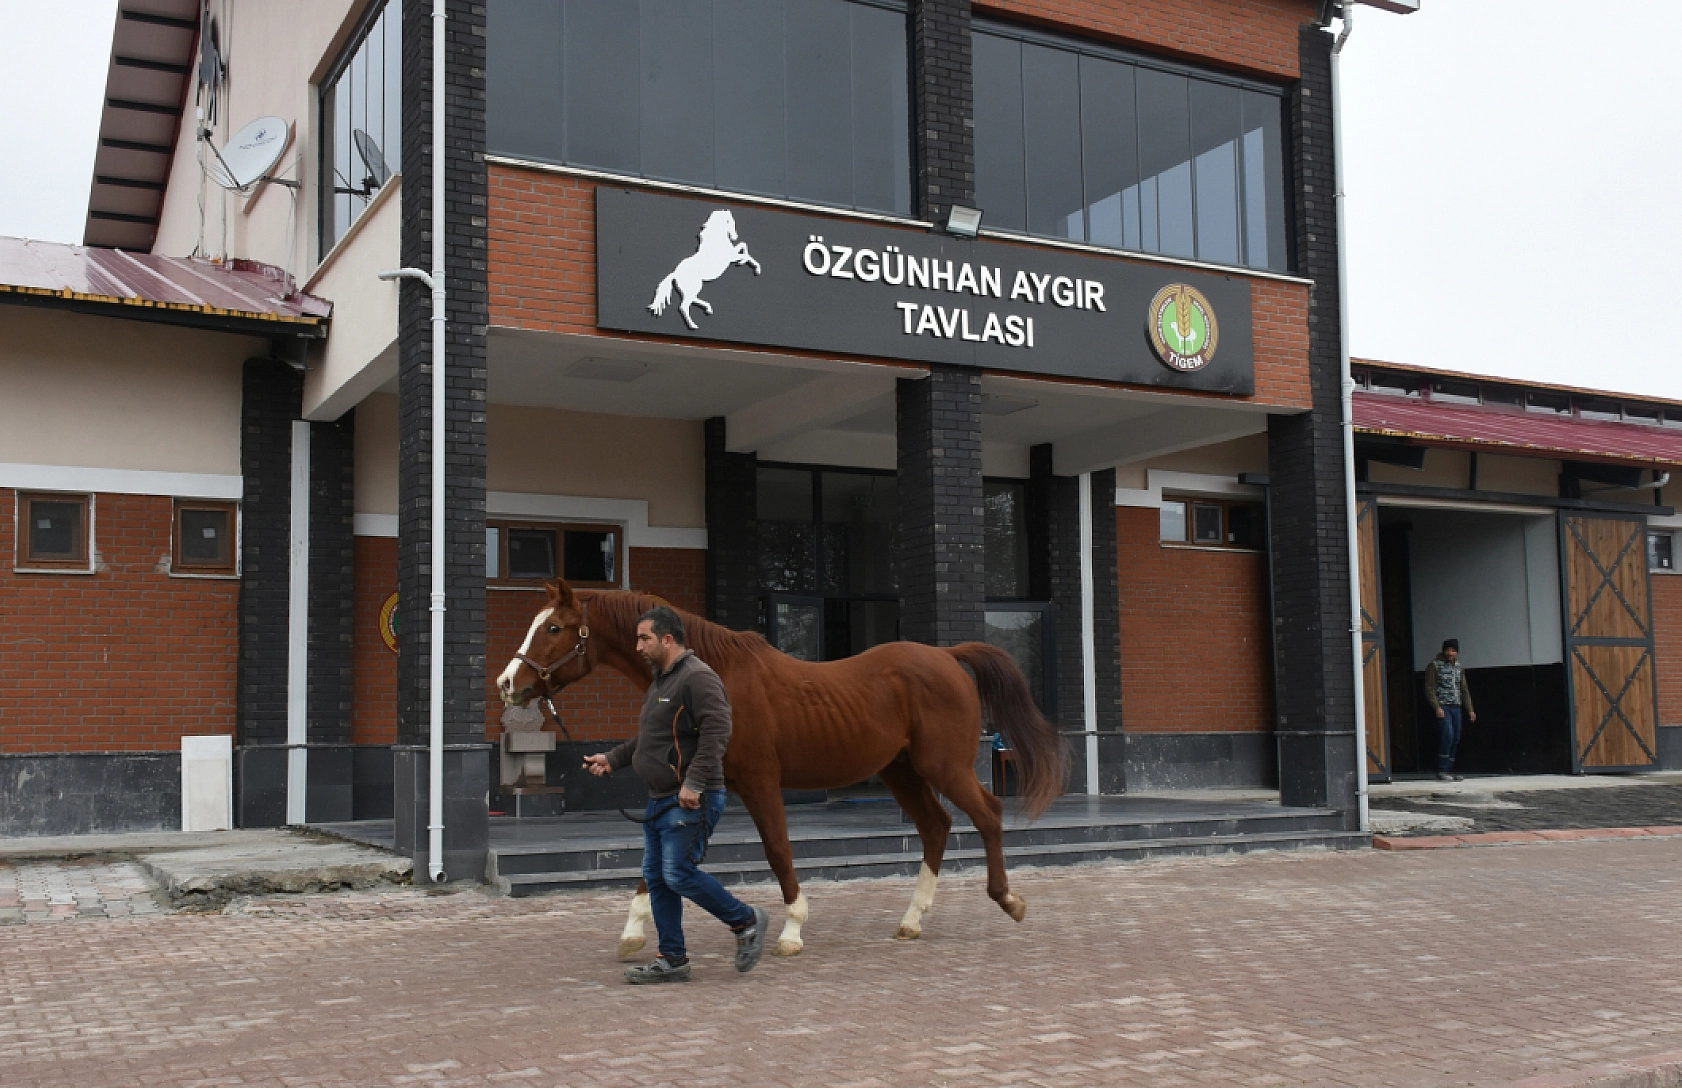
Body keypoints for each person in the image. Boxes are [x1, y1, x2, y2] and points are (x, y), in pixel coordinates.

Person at [583, 605, 767, 984]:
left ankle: (746, 920)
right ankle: (672, 958)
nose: (637, 646)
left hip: (689, 799)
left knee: (677, 873)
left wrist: (694, 783)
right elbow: (650, 738)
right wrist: (613, 759)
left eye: (644, 638)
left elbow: (719, 730)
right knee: (658, 875)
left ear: (668, 639)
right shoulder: (661, 682)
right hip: (660, 798)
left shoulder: (698, 678)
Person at [1423, 638, 1476, 782]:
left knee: (1456, 736)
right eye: (1448, 650)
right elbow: (1429, 688)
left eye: (1453, 650)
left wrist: (1470, 709)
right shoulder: (1434, 666)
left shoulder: (1459, 667)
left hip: (1456, 706)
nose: (1450, 653)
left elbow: (1464, 689)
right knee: (1448, 735)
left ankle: (1450, 769)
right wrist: (1437, 707)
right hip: (1443, 706)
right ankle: (1442, 769)